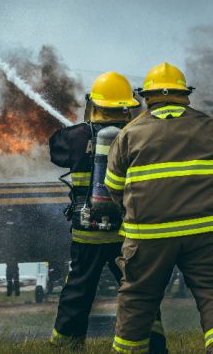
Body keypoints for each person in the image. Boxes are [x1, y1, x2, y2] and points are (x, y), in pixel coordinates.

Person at [106, 62, 213, 354]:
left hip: (149, 236)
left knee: (138, 298)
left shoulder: (129, 134)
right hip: (208, 233)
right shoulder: (212, 128)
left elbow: (113, 188)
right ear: (186, 95)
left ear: (147, 97)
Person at [48, 72, 167, 353]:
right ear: (128, 105)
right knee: (138, 289)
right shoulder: (137, 134)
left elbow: (56, 152)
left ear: (94, 103)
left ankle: (67, 345)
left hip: (87, 233)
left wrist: (84, 123)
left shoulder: (74, 136)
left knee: (78, 289)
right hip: (127, 233)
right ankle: (154, 345)